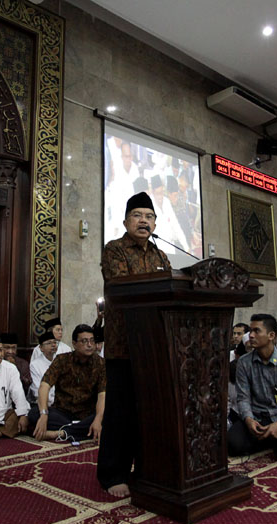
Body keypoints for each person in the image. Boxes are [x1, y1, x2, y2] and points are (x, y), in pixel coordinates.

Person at [98, 192, 171, 498]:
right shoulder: (114, 249)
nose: (144, 221)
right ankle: (112, 473)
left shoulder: (161, 255)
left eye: (149, 216)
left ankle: (146, 468)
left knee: (148, 412)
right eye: (138, 215)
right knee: (120, 412)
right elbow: (120, 285)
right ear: (126, 221)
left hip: (153, 347)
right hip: (123, 345)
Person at [228, 313, 277, 461]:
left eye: (256, 331)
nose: (250, 335)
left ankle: (272, 438)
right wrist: (249, 420)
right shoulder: (244, 363)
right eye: (250, 331)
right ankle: (268, 438)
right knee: (232, 445)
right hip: (257, 416)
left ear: (271, 335)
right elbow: (243, 398)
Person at [29, 324, 106, 442]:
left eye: (92, 341)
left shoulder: (101, 363)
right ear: (74, 344)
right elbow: (44, 386)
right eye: (84, 341)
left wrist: (98, 419)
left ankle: (59, 433)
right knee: (33, 414)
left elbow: (102, 395)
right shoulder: (62, 360)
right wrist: (44, 414)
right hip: (63, 414)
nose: (89, 345)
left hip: (88, 413)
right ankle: (78, 430)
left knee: (108, 416)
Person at [1, 332, 32, 400]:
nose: (10, 351)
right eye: (7, 348)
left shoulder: (23, 363)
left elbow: (26, 386)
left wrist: (15, 368)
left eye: (13, 348)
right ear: (1, 348)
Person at [30, 331, 58, 404]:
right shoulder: (35, 365)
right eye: (49, 343)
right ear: (41, 348)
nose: (53, 345)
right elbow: (37, 389)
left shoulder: (60, 360)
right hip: (45, 402)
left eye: (54, 342)